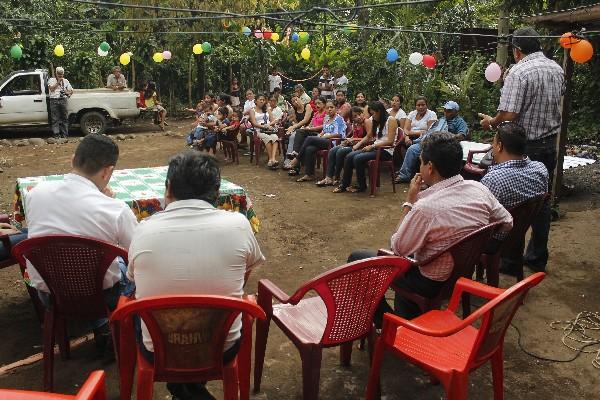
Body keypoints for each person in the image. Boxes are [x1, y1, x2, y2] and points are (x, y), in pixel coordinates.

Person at [128, 151, 264, 400]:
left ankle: (185, 390)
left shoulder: (144, 228)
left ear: (168, 188)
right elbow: (247, 268)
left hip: (159, 349)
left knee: (135, 305)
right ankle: (191, 390)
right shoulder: (238, 224)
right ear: (216, 190)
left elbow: (135, 279)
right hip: (222, 344)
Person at [347, 132, 513, 320]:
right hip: (461, 273)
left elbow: (398, 248)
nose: (420, 166)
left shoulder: (426, 208)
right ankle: (407, 312)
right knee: (416, 248)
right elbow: (507, 221)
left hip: (431, 280)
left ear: (430, 167)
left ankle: (385, 322)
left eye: (420, 162)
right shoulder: (479, 189)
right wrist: (479, 242)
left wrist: (409, 202)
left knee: (356, 259)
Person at [25, 134, 138, 355]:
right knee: (127, 269)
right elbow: (137, 253)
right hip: (102, 298)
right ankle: (124, 336)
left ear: (73, 159)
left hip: (50, 295)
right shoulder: (114, 209)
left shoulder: (35, 194)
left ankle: (101, 327)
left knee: (93, 264)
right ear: (107, 171)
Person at [479, 27, 564, 273]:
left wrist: (491, 122)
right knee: (541, 201)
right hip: (549, 142)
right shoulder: (556, 68)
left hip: (523, 146)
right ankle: (537, 258)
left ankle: (510, 261)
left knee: (510, 200)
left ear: (517, 51)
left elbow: (510, 113)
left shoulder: (519, 71)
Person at [480, 122, 548, 275]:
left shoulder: (493, 179)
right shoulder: (540, 169)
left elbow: (480, 219)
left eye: (493, 142)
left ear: (499, 146)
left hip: (496, 240)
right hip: (517, 234)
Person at [334, 101, 398, 193]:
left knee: (358, 158)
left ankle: (361, 186)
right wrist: (357, 145)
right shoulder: (374, 119)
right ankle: (344, 184)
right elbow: (368, 136)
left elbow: (390, 141)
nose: (372, 115)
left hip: (385, 151)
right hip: (375, 148)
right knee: (350, 156)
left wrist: (372, 146)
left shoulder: (391, 120)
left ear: (379, 111)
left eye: (373, 113)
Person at [396, 101, 467, 183]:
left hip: (443, 145)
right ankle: (404, 175)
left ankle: (428, 182)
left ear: (456, 112)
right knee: (412, 149)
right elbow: (431, 130)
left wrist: (446, 137)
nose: (446, 112)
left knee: (432, 155)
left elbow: (462, 135)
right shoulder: (441, 120)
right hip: (430, 141)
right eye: (445, 110)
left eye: (449, 111)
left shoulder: (460, 122)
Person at [291, 99, 347, 182]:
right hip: (324, 141)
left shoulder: (339, 119)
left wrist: (324, 137)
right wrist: (320, 136)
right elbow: (324, 131)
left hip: (333, 142)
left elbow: (339, 134)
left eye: (332, 107)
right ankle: (309, 174)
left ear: (336, 108)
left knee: (309, 138)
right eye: (327, 108)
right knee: (309, 148)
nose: (329, 109)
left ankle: (297, 158)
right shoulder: (327, 119)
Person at [316, 106, 371, 187]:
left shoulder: (366, 122)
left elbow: (369, 137)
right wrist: (349, 140)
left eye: (360, 114)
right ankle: (329, 177)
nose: (358, 117)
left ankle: (337, 177)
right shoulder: (355, 124)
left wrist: (353, 140)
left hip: (362, 146)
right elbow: (354, 136)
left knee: (340, 151)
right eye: (355, 116)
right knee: (333, 150)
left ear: (363, 114)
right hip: (354, 145)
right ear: (352, 118)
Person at [287, 97, 326, 175]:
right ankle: (296, 163)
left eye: (319, 103)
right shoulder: (316, 113)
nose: (317, 105)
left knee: (301, 134)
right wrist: (307, 127)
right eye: (316, 104)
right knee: (301, 136)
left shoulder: (326, 113)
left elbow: (324, 126)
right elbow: (311, 124)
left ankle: (296, 158)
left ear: (324, 104)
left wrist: (311, 129)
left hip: (321, 134)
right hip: (312, 133)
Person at [249, 94, 279, 168]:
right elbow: (254, 123)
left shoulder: (267, 109)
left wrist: (269, 125)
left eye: (263, 100)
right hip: (259, 130)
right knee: (268, 139)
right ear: (256, 101)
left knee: (275, 138)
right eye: (260, 99)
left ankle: (273, 159)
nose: (262, 101)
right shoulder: (252, 110)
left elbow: (273, 120)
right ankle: (271, 159)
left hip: (268, 129)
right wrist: (264, 126)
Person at [283, 95, 313, 169]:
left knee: (293, 135)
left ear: (300, 99)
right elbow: (296, 122)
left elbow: (305, 120)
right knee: (292, 135)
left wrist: (294, 127)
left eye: (296, 99)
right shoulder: (294, 110)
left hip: (309, 129)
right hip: (299, 130)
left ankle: (289, 161)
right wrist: (292, 126)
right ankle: (291, 161)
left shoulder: (307, 106)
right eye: (293, 101)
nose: (295, 102)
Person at [47, 67, 73, 138]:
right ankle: (56, 134)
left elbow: (71, 91)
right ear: (56, 74)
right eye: (59, 75)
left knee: (65, 118)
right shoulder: (51, 80)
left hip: (63, 100)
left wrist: (67, 92)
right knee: (55, 118)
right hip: (54, 100)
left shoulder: (66, 81)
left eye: (61, 75)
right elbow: (51, 89)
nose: (60, 76)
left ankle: (64, 134)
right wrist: (58, 82)